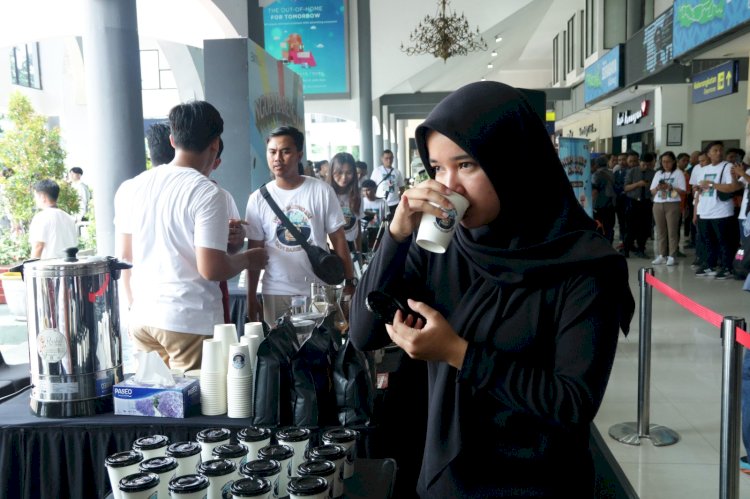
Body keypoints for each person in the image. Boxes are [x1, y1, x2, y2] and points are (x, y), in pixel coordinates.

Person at [350, 81, 634, 497]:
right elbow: (364, 332)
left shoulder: (582, 265)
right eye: (437, 168)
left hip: (538, 484)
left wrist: (457, 353)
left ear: (513, 162)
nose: (450, 186)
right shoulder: (441, 245)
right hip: (447, 479)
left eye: (466, 165)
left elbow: (573, 403)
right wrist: (395, 236)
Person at [116, 101, 267, 371]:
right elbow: (212, 269)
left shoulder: (131, 187)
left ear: (173, 140)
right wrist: (249, 259)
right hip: (188, 320)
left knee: (153, 406)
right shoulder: (208, 192)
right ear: (215, 144)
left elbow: (125, 256)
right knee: (199, 406)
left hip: (142, 317)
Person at [245, 126, 357, 324]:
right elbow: (254, 251)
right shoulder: (257, 199)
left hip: (318, 290)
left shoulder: (321, 191)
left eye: (285, 151)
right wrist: (251, 295)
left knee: (320, 351)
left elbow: (338, 240)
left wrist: (349, 283)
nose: (277, 158)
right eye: (272, 152)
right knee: (279, 353)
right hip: (276, 290)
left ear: (299, 155)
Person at [650, 151, 686, 266]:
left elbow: (682, 191)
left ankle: (672, 255)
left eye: (668, 161)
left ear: (673, 161)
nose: (666, 164)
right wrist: (658, 188)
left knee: (672, 231)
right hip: (658, 203)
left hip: (672, 204)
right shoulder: (658, 173)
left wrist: (670, 187)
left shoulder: (678, 173)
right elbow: (652, 191)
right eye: (663, 162)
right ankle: (662, 255)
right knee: (660, 231)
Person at [28, 179, 78, 259]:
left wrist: (30, 269)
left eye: (36, 196)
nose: (35, 200)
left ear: (42, 197)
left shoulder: (41, 217)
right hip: (69, 266)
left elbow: (38, 246)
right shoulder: (68, 218)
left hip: (50, 268)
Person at [623, 152, 656, 258]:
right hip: (633, 202)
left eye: (648, 165)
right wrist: (638, 184)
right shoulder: (632, 171)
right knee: (631, 228)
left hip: (646, 203)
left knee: (644, 228)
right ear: (639, 162)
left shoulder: (653, 173)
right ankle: (626, 250)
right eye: (643, 164)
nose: (646, 167)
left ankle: (641, 249)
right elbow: (626, 188)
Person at [329, 152, 363, 252]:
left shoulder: (357, 195)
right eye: (339, 172)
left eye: (349, 173)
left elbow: (358, 224)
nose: (344, 177)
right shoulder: (325, 194)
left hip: (351, 246)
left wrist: (359, 251)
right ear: (332, 172)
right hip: (331, 247)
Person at [370, 149, 405, 217]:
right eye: (386, 158)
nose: (389, 160)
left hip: (394, 203)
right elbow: (371, 186)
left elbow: (402, 187)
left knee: (392, 224)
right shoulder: (377, 171)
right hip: (380, 203)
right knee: (380, 224)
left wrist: (400, 199)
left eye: (391, 158)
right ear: (382, 159)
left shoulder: (397, 172)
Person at [591, 155, 616, 242]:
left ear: (596, 165)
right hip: (611, 204)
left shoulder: (596, 175)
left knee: (599, 227)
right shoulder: (611, 173)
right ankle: (609, 246)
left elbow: (594, 191)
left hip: (599, 205)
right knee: (609, 227)